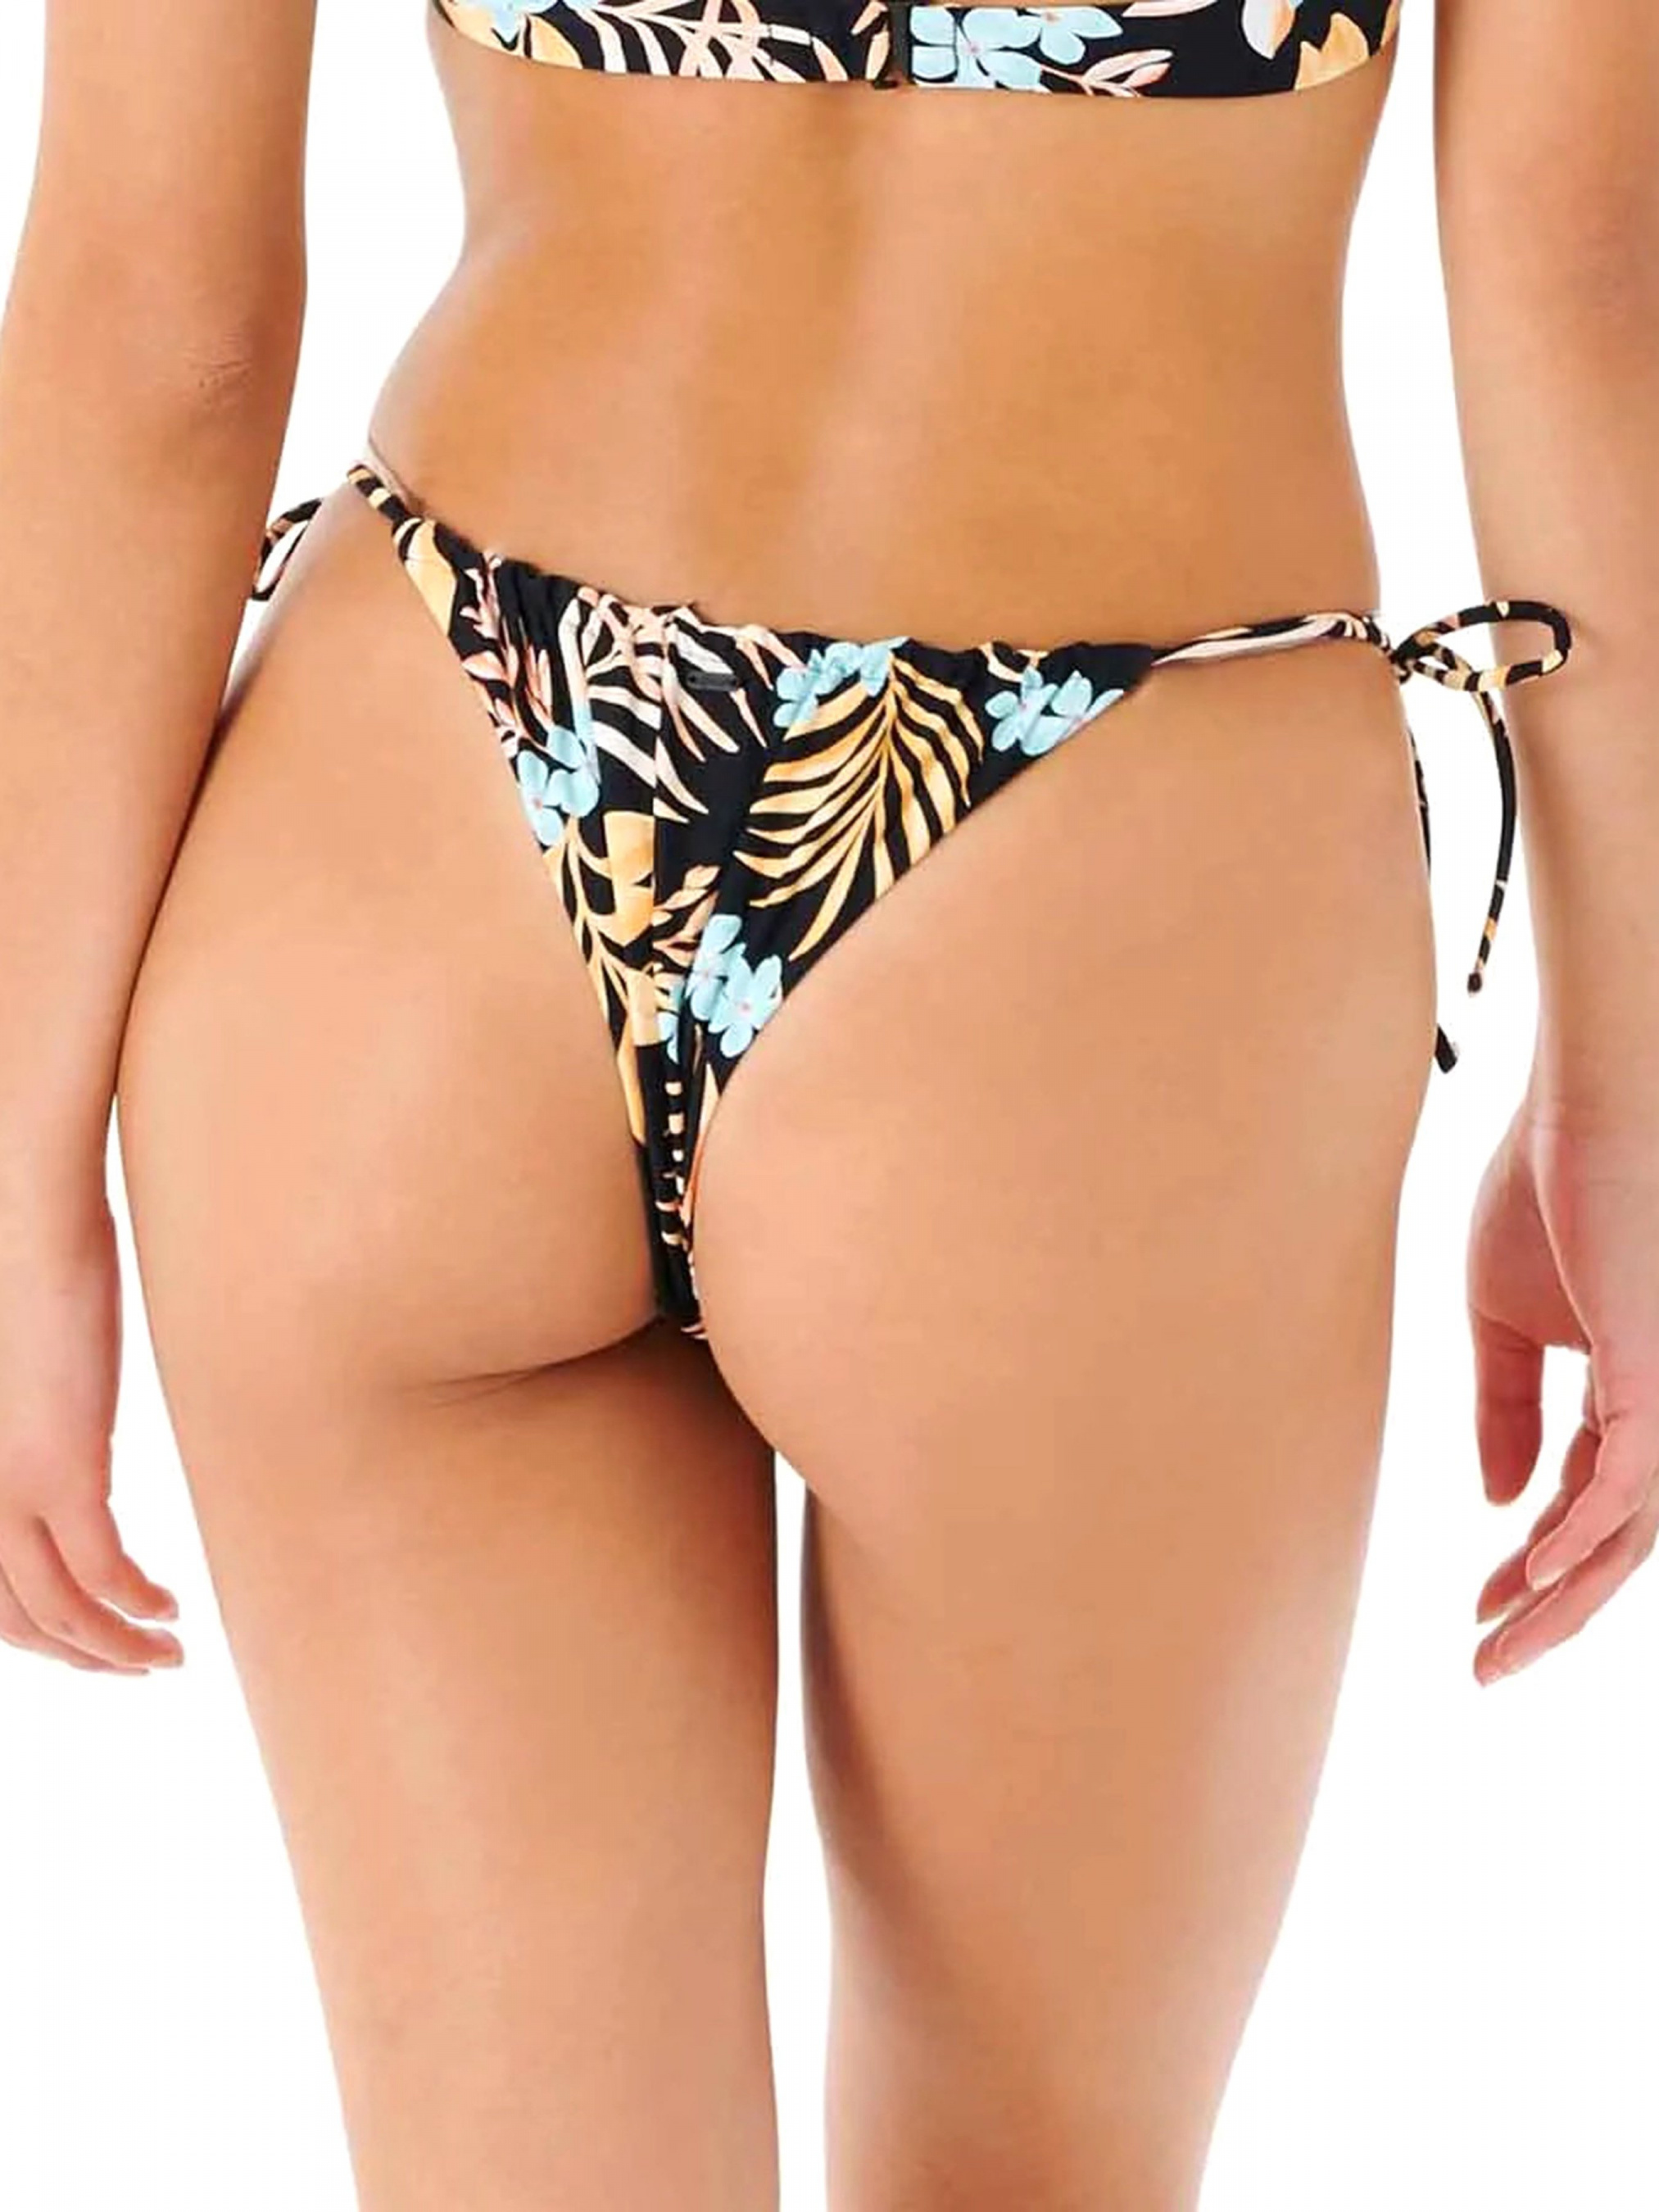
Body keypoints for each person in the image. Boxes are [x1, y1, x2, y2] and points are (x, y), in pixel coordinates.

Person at [0, 0, 1651, 2203]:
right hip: (1097, 901)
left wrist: (16, 1155)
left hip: (419, 839)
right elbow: (1582, 274)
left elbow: (158, 322)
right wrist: (1620, 1102)